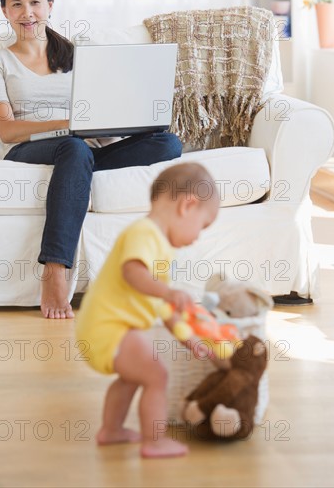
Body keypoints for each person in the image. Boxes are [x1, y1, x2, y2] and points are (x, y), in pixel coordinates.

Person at [0, 0, 182, 320]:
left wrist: (107, 124)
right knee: (73, 147)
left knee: (166, 142)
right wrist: (69, 126)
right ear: (4, 11)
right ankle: (56, 268)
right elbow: (7, 131)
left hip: (83, 148)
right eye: (17, 5)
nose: (28, 13)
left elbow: (103, 111)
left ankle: (78, 167)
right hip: (31, 149)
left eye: (35, 3)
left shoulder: (76, 55)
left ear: (50, 5)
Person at [76, 163, 228, 458]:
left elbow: (163, 307)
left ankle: (112, 430)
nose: (198, 237)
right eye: (203, 225)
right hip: (108, 327)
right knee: (156, 375)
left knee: (134, 376)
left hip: (104, 328)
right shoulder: (145, 233)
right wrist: (169, 291)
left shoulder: (159, 247)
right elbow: (133, 273)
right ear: (188, 205)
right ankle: (154, 440)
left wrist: (190, 340)